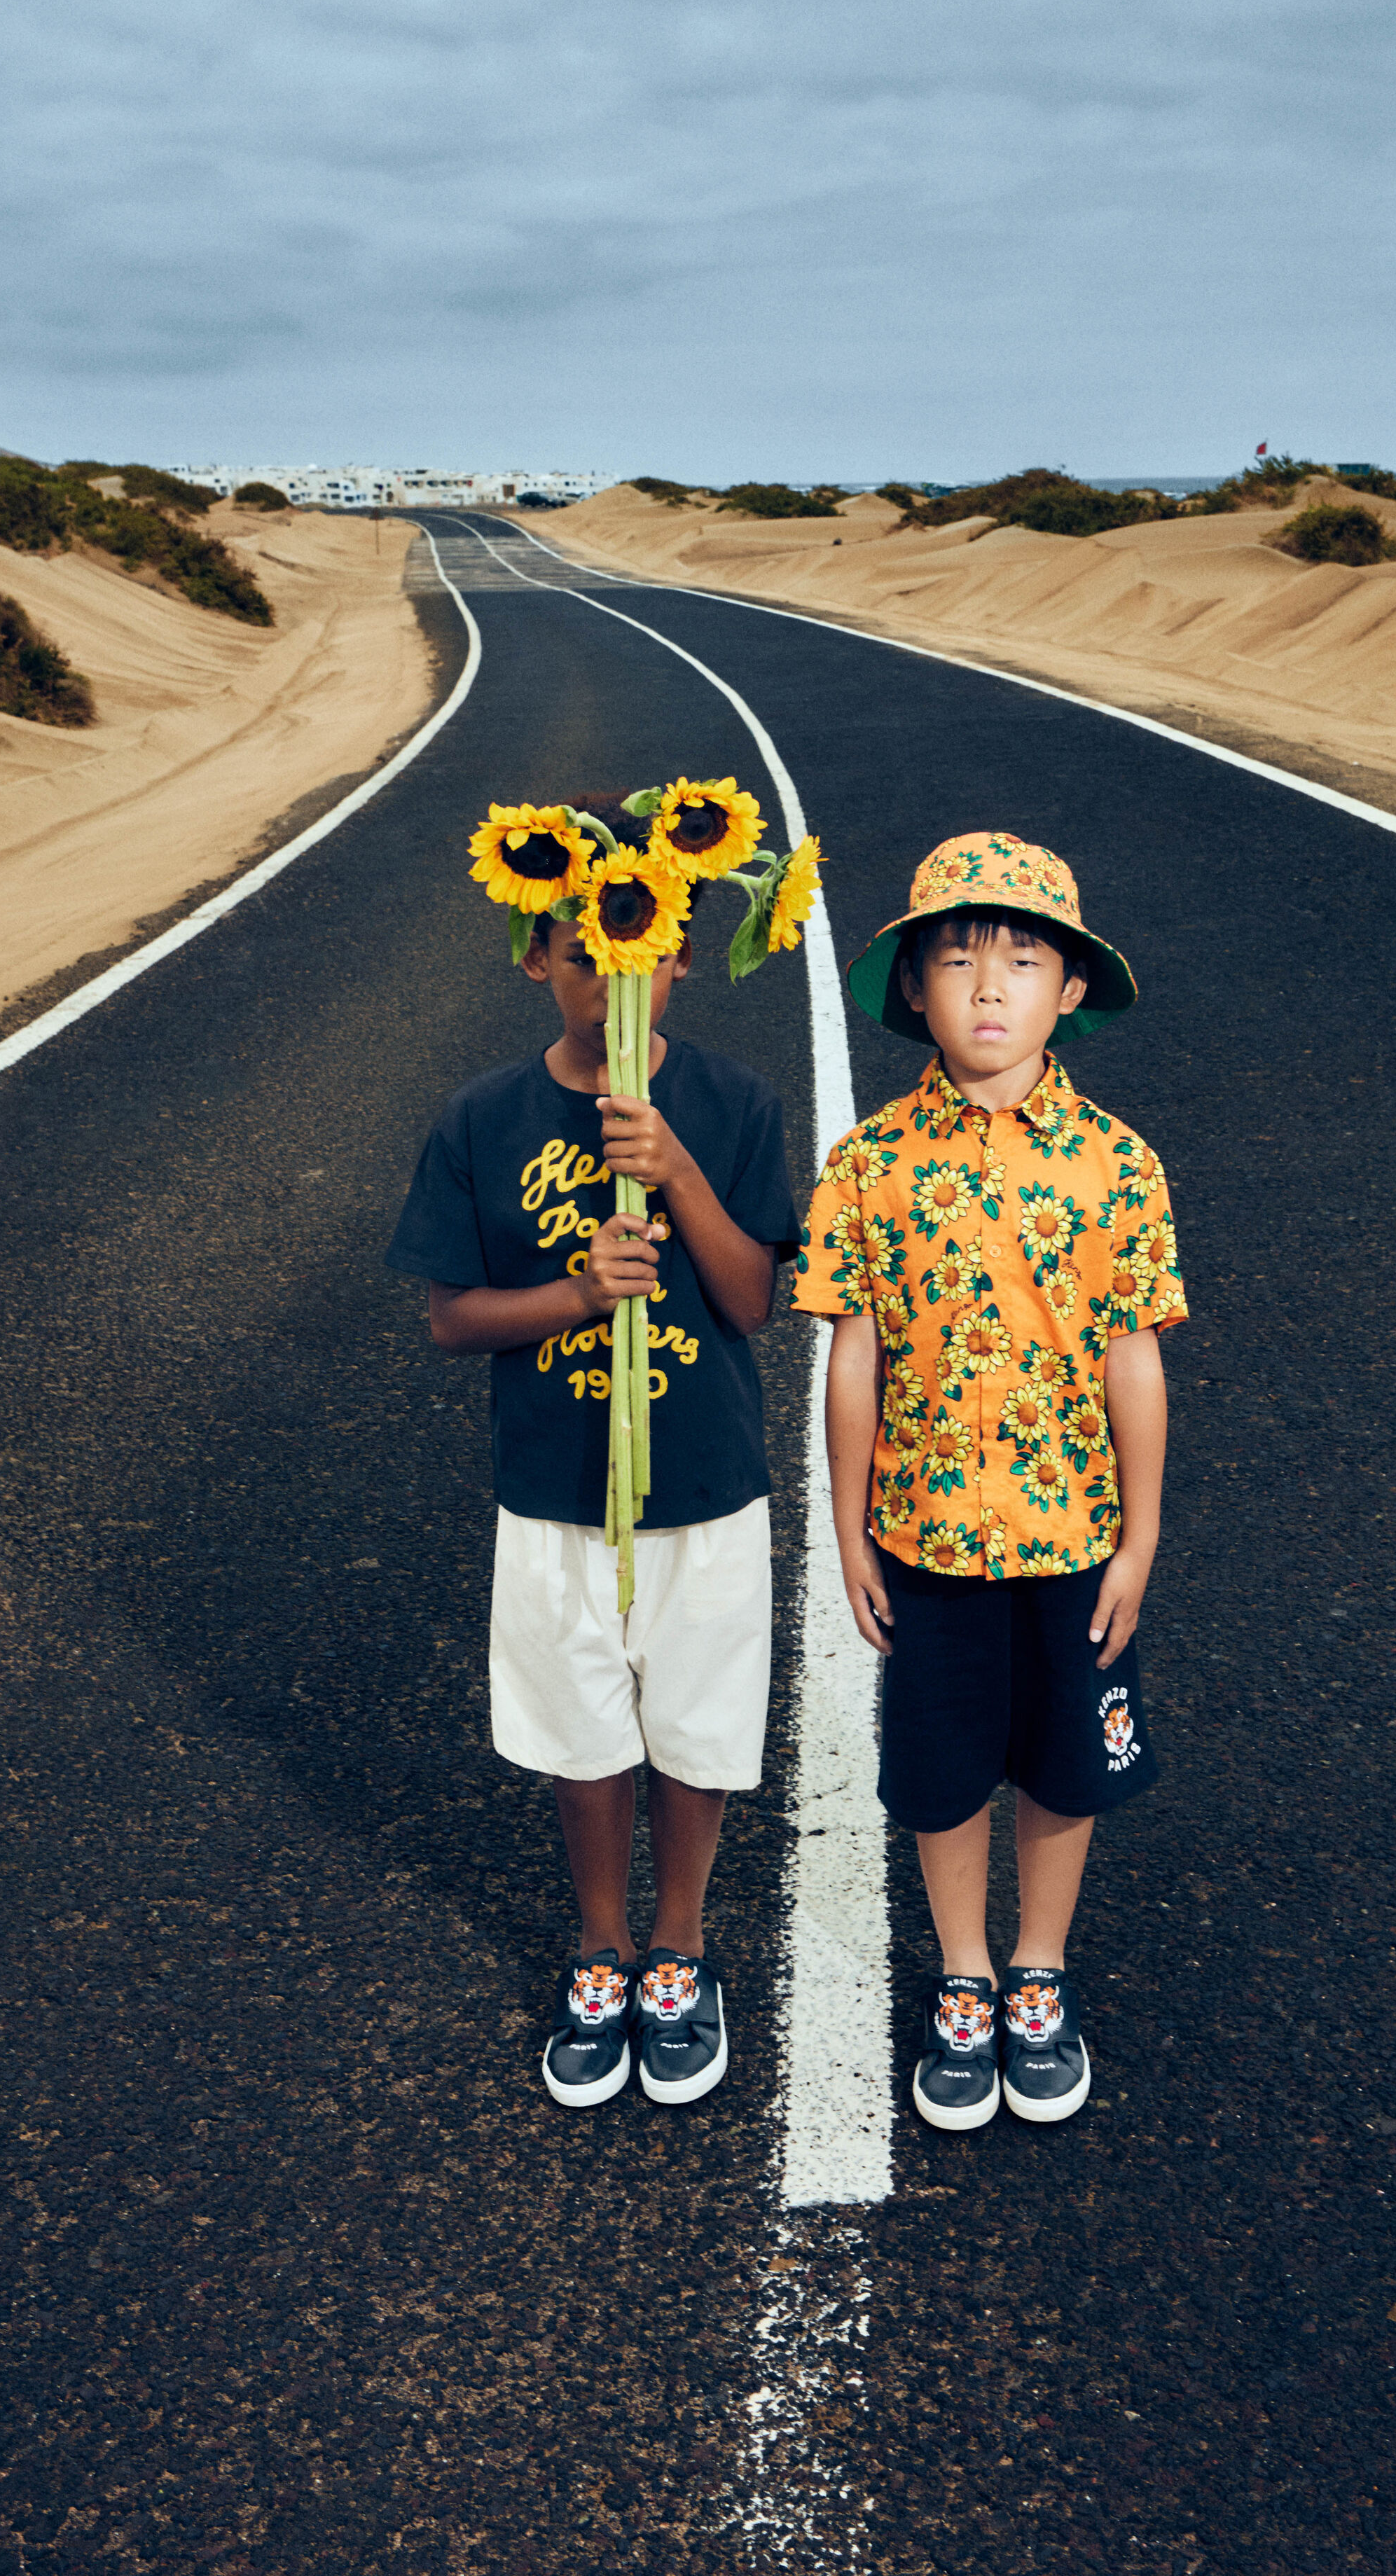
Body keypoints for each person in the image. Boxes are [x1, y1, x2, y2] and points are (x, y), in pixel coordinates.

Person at [386, 798, 799, 2111]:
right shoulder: (481, 1118)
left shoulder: (732, 1104)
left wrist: (675, 1172)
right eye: (582, 956)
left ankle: (679, 1946)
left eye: (643, 957)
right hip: (555, 1486)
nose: (614, 983)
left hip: (705, 1480)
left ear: (681, 957)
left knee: (697, 1724)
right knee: (582, 1726)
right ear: (535, 958)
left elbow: (752, 1301)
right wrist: (576, 1295)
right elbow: (451, 1318)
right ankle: (602, 1945)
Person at [793, 832, 1187, 2131]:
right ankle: (964, 1974)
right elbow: (854, 1355)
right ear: (914, 988)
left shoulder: (1120, 1162)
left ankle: (1039, 1970)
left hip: (1075, 1533)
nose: (988, 985)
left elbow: (1134, 1358)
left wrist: (1139, 1540)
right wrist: (848, 1525)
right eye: (956, 959)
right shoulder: (868, 1164)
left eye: (1022, 959)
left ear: (1069, 989)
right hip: (928, 1535)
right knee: (943, 1765)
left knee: (1068, 1765)